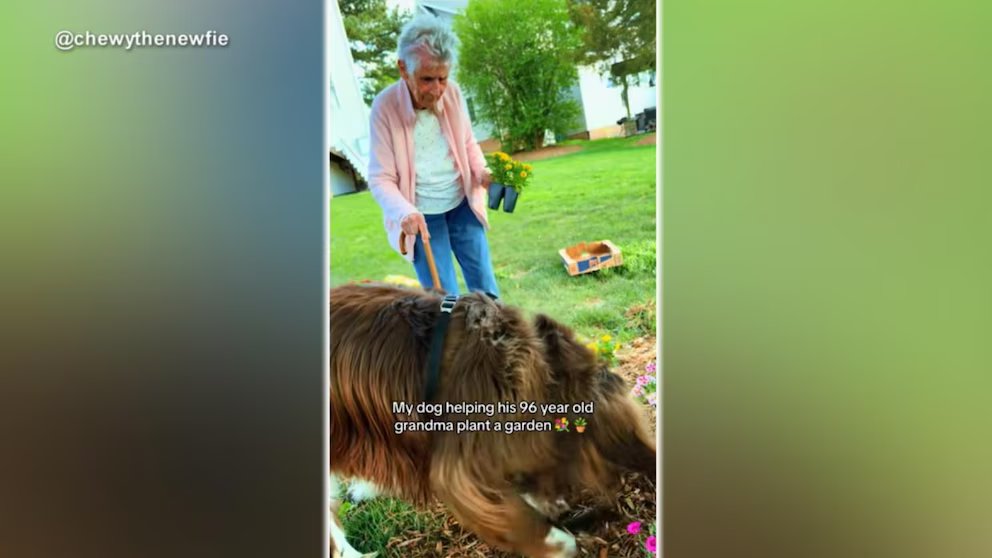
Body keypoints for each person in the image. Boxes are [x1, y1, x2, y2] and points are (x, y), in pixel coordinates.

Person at [366, 14, 499, 297]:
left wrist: (483, 174)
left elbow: (468, 143)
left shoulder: (453, 93)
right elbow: (380, 178)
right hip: (422, 216)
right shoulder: (385, 107)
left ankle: (492, 341)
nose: (437, 90)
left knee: (486, 289)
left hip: (462, 204)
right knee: (442, 301)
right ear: (403, 69)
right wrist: (405, 212)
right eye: (427, 79)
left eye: (443, 78)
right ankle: (448, 341)